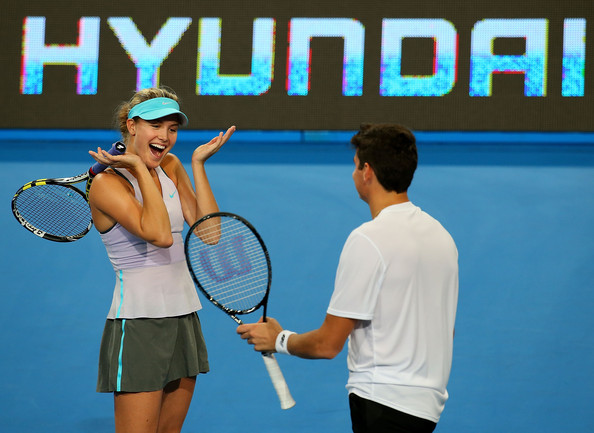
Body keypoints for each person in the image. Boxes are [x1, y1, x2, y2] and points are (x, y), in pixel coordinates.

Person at [237, 123, 458, 433]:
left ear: (367, 171)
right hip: (427, 407)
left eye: (355, 166)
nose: (354, 174)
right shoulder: (441, 236)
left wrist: (278, 339)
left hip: (382, 402)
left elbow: (328, 344)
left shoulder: (368, 239)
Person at [87, 86, 235, 433]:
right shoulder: (107, 185)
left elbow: (210, 234)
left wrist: (197, 165)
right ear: (131, 125)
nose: (165, 137)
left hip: (183, 316)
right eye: (156, 126)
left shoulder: (171, 165)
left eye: (172, 128)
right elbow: (160, 234)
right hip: (138, 323)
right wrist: (138, 168)